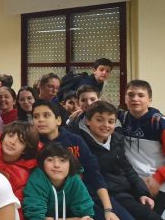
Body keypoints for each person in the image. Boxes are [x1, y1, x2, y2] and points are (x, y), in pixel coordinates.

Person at [31, 100, 119, 220]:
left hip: (83, 197)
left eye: (46, 115)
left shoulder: (74, 140)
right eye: (36, 117)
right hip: (47, 202)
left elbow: (94, 173)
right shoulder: (33, 144)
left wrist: (108, 209)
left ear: (58, 120)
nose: (40, 120)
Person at [76, 101, 160, 220]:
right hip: (97, 197)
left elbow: (127, 168)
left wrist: (142, 193)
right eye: (99, 120)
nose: (106, 125)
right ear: (88, 121)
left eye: (111, 121)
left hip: (122, 193)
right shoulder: (79, 143)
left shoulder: (116, 139)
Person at [117, 80, 165, 216]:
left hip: (157, 185)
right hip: (132, 183)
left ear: (149, 100)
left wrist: (157, 178)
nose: (135, 99)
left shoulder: (159, 124)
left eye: (140, 95)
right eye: (131, 95)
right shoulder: (120, 118)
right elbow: (97, 110)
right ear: (125, 98)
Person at [23, 142, 94, 220]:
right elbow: (34, 216)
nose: (56, 165)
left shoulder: (74, 179)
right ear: (42, 163)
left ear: (70, 163)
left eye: (62, 160)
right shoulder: (37, 178)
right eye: (50, 160)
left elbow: (87, 214)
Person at [0, 121, 40, 220]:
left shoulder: (25, 175)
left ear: (25, 150)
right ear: (3, 137)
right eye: (10, 135)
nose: (12, 142)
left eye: (20, 141)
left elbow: (18, 209)